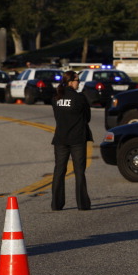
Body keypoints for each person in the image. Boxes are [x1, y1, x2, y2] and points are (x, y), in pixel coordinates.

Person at [51, 70, 93, 211]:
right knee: (79, 172)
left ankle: (56, 204)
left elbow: (58, 117)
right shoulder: (80, 98)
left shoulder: (56, 98)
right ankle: (83, 204)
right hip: (77, 139)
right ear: (70, 82)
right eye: (77, 80)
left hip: (60, 138)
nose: (79, 83)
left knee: (59, 171)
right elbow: (87, 118)